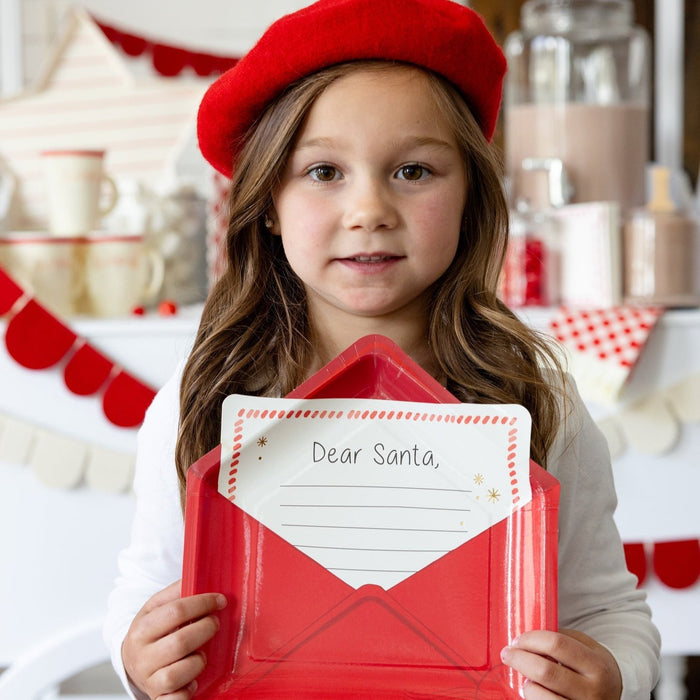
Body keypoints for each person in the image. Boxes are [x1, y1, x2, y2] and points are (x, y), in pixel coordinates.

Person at [104, 0, 661, 698]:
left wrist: (611, 674)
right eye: (324, 172)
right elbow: (145, 591)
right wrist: (139, 660)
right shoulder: (202, 404)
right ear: (268, 202)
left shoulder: (535, 400)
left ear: (471, 196)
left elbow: (609, 612)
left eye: (414, 171)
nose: (369, 209)